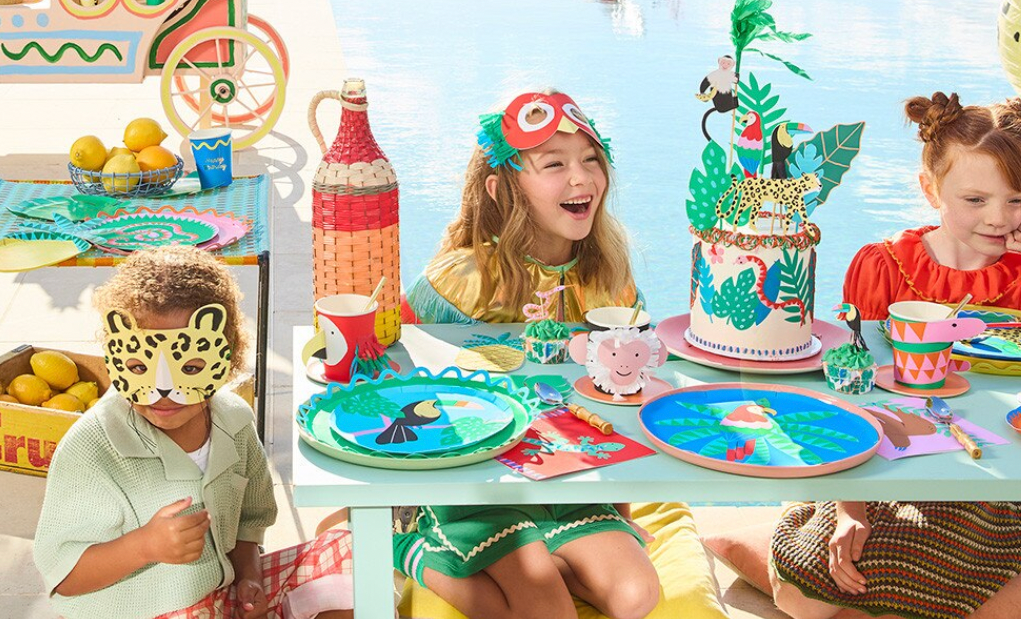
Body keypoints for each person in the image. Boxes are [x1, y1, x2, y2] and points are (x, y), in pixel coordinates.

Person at [704, 90, 1021, 619]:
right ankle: (799, 527)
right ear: (930, 188)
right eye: (975, 200)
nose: (997, 218)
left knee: (955, 608)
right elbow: (850, 388)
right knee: (808, 601)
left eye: (1017, 199)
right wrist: (850, 510)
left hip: (988, 494)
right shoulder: (884, 265)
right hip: (874, 471)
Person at [396, 90, 660, 619]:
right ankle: (413, 545)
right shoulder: (460, 280)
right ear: (503, 188)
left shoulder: (609, 280)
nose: (580, 178)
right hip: (479, 480)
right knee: (548, 609)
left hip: (574, 476)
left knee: (636, 599)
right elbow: (397, 380)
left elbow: (626, 390)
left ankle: (545, 560)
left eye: (590, 161)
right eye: (553, 165)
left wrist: (621, 508)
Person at [33, 246, 352, 619]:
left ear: (226, 357)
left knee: (350, 558)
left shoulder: (233, 421)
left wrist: (249, 576)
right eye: (140, 365)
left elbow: (250, 518)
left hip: (221, 595)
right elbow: (62, 575)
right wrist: (143, 546)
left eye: (191, 365)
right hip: (147, 611)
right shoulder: (92, 447)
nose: (164, 388)